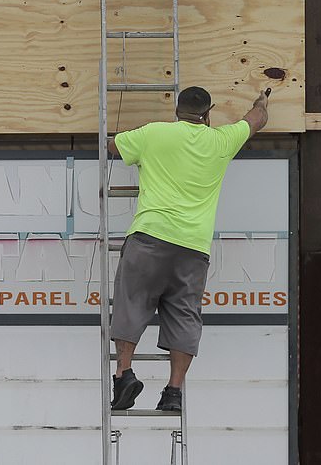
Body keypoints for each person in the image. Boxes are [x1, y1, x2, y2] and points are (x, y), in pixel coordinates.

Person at [108, 86, 269, 412]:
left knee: (130, 304)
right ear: (207, 116)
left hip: (149, 239)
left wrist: (130, 140)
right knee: (184, 316)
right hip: (193, 248)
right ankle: (173, 392)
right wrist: (262, 100)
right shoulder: (221, 140)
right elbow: (256, 120)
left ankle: (124, 374)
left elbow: (112, 146)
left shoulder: (154, 134)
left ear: (176, 111)